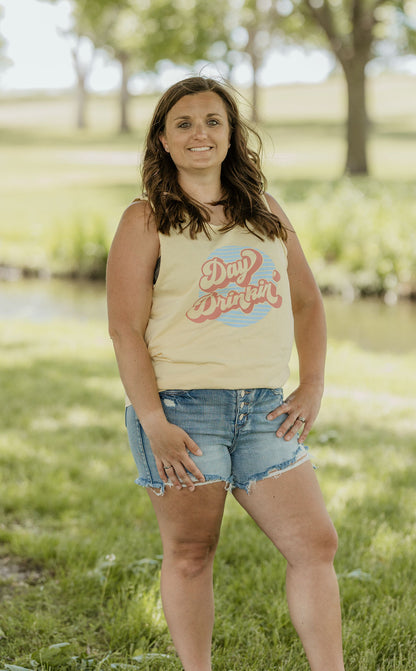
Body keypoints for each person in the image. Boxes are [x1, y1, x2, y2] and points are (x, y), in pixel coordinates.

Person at [106, 75, 344, 671]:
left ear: (232, 133)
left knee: (315, 544)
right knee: (190, 552)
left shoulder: (264, 212)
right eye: (183, 123)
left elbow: (308, 303)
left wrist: (311, 384)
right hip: (182, 412)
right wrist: (153, 420)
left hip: (264, 409)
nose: (200, 134)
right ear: (162, 139)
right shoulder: (146, 219)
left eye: (213, 120)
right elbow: (124, 330)